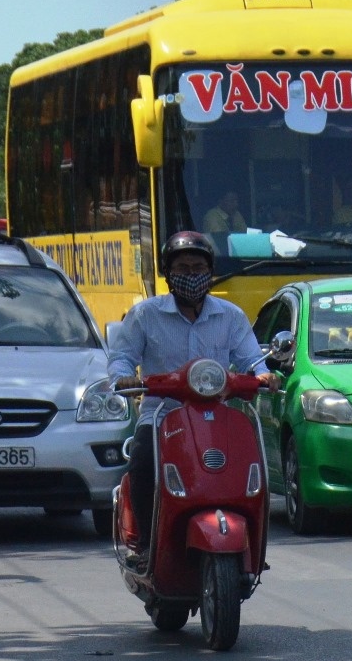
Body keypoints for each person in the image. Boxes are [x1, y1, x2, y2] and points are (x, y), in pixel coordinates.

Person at [105, 231, 272, 549]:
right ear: (168, 274)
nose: (191, 276)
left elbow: (252, 360)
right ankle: (147, 545)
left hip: (218, 417)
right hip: (161, 415)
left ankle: (252, 547)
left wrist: (263, 375)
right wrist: (124, 378)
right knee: (141, 464)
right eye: (183, 269)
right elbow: (122, 360)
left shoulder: (230, 316)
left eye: (199, 268)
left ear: (210, 273)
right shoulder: (145, 315)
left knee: (252, 472)